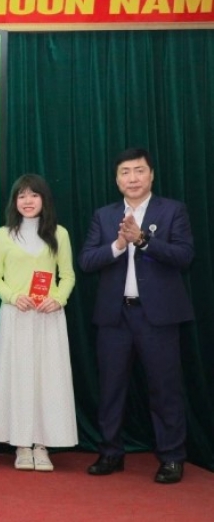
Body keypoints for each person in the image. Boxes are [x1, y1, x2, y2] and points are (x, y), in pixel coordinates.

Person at [79, 148, 193, 485]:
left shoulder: (172, 210)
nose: (132, 178)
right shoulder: (104, 216)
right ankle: (110, 452)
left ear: (151, 175)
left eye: (139, 171)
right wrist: (117, 245)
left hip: (158, 316)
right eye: (125, 172)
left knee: (164, 388)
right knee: (111, 388)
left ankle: (171, 457)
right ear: (117, 179)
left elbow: (184, 255)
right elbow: (86, 261)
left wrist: (143, 240)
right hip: (115, 317)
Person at [0, 174, 77, 471]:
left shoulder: (59, 233)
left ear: (43, 199)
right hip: (17, 316)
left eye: (33, 195)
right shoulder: (2, 235)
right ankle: (22, 445)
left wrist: (58, 299)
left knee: (48, 380)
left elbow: (68, 275)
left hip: (48, 316)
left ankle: (42, 445)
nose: (27, 201)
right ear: (14, 201)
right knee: (18, 378)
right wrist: (12, 297)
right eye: (21, 195)